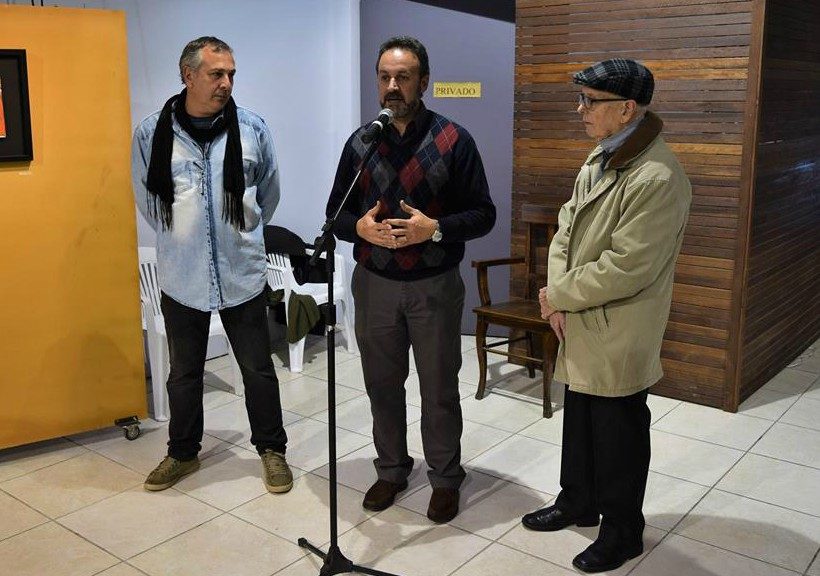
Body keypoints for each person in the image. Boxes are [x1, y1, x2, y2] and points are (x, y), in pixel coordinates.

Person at [521, 59, 691, 573]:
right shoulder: (601, 155)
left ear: (627, 109)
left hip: (619, 322)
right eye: (581, 99)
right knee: (581, 417)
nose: (581, 110)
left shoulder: (657, 176)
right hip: (580, 312)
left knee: (618, 430)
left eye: (590, 101)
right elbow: (565, 226)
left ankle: (622, 531)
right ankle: (577, 501)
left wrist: (559, 295)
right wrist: (556, 295)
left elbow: (627, 267)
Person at [325, 36, 495, 523]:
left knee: (438, 388)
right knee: (382, 385)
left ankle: (444, 478)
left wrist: (434, 228)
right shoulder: (360, 143)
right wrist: (358, 228)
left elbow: (483, 214)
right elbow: (335, 215)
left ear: (424, 82)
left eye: (403, 77)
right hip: (374, 284)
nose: (392, 86)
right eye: (384, 77)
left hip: (433, 286)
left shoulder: (454, 140)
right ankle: (392, 469)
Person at [132, 36, 292, 494]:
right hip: (182, 275)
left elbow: (268, 195)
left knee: (257, 369)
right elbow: (149, 201)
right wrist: (186, 237)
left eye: (231, 74)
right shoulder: (151, 133)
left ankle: (272, 450)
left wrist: (238, 235)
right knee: (184, 373)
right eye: (216, 74)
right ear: (188, 76)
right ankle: (182, 453)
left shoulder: (252, 128)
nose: (226, 83)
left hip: (241, 271)